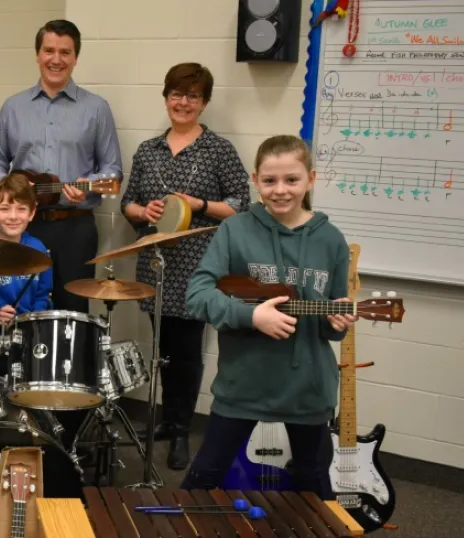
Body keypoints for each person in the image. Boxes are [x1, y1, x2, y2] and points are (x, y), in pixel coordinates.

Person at [180, 134, 355, 499]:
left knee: (314, 488)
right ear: (255, 178)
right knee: (202, 481)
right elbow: (197, 296)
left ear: (311, 178)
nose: (280, 190)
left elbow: (331, 327)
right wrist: (251, 316)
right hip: (243, 386)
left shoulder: (332, 241)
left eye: (292, 180)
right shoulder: (235, 229)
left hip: (307, 390)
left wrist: (335, 322)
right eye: (269, 181)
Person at [120, 62, 251, 469]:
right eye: (177, 94)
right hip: (156, 266)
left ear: (204, 102)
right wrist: (145, 211)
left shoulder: (219, 150)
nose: (183, 102)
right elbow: (127, 203)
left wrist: (198, 206)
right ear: (165, 98)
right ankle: (166, 419)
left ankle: (180, 431)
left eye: (192, 96)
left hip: (198, 268)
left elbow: (240, 207)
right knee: (164, 350)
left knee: (188, 352)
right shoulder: (147, 151)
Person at [0, 19, 122, 315]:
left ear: (75, 58)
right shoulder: (13, 107)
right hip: (21, 226)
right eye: (49, 50)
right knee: (18, 307)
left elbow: (113, 171)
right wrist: (13, 192)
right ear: (37, 55)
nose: (56, 59)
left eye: (65, 52)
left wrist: (85, 187)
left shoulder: (96, 108)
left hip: (75, 227)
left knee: (72, 310)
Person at [0, 173, 53, 328]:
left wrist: (32, 321)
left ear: (32, 213)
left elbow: (42, 296)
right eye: (4, 209)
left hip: (27, 331)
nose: (13, 216)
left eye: (21, 209)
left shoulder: (39, 250)